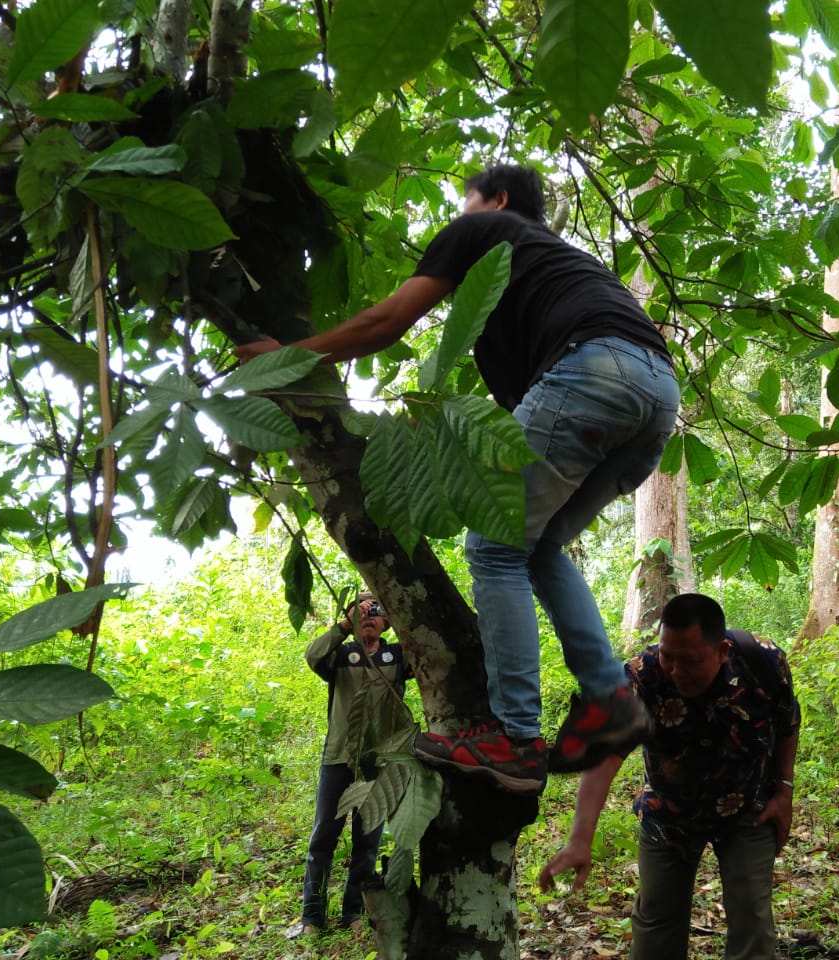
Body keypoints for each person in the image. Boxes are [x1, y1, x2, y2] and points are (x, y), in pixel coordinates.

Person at [236, 164, 679, 795]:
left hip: (591, 372)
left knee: (492, 544)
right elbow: (515, 422)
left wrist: (289, 359)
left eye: (464, 199)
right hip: (657, 393)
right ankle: (610, 696)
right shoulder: (546, 275)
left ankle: (514, 738)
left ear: (496, 200)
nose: (460, 210)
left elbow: (387, 322)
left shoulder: (489, 230)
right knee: (537, 544)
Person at [538, 593, 800, 960]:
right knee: (656, 926)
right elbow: (607, 757)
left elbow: (788, 724)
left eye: (690, 661)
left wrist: (783, 792)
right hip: (669, 813)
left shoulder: (763, 662)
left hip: (748, 809)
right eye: (668, 656)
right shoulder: (642, 675)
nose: (676, 671)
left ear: (722, 650)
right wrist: (580, 838)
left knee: (753, 924)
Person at [285, 594, 416, 939]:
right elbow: (313, 656)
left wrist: (400, 615)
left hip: (377, 765)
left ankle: (354, 913)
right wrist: (345, 626)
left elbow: (428, 658)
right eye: (360, 608)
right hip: (338, 759)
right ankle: (312, 916)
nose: (368, 614)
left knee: (366, 842)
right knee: (323, 839)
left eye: (375, 609)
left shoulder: (396, 657)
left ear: (387, 620)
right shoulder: (340, 656)